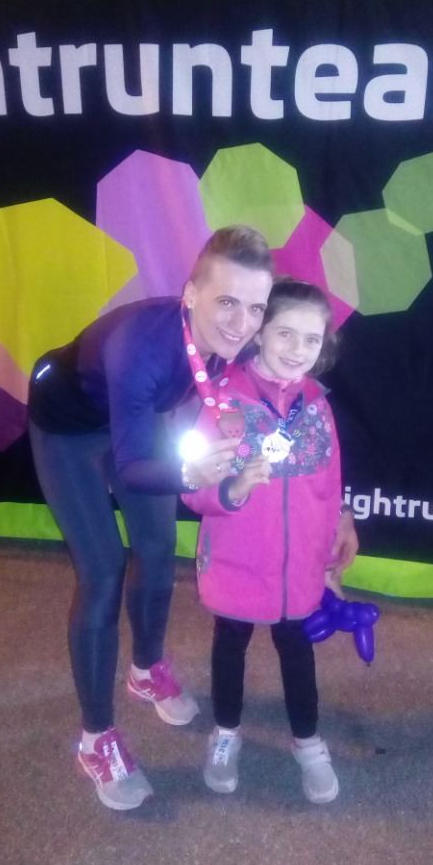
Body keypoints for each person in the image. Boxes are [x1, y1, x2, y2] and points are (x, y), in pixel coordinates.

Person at [27, 225, 275, 810]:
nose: (242, 324)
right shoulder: (140, 349)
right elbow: (135, 467)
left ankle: (145, 669)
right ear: (191, 294)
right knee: (103, 573)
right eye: (227, 302)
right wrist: (190, 473)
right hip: (68, 427)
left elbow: (282, 375)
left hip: (137, 419)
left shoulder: (235, 338)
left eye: (256, 308)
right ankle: (96, 739)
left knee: (159, 549)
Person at [181, 278, 359, 805]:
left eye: (311, 339)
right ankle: (225, 733)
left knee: (296, 647)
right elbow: (192, 485)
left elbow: (329, 478)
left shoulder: (318, 405)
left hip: (299, 563)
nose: (297, 350)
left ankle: (308, 742)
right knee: (230, 642)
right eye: (285, 334)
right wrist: (232, 490)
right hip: (237, 557)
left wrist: (340, 524)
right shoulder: (222, 401)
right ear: (258, 332)